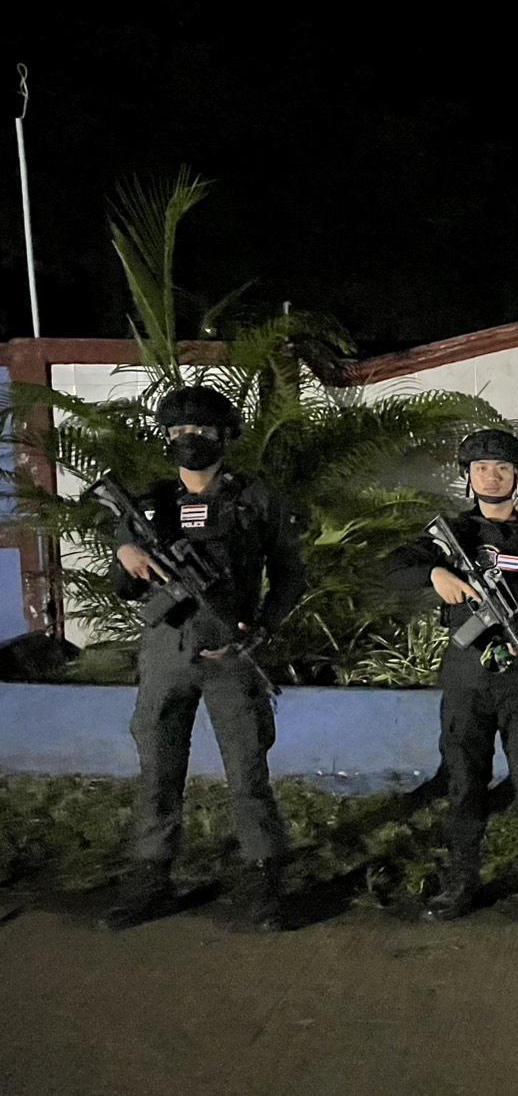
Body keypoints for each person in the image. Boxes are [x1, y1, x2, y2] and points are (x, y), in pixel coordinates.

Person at [101, 386, 306, 932]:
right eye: (177, 431)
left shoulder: (254, 499)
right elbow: (123, 584)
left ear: (225, 437)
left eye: (201, 431)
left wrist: (264, 628)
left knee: (247, 771)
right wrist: (125, 552)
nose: (188, 440)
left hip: (231, 651)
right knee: (158, 769)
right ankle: (152, 877)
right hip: (166, 649)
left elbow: (290, 574)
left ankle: (265, 879)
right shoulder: (149, 504)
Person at [386, 429, 518, 925]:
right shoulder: (452, 534)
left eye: (502, 468)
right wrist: (436, 575)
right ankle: (461, 879)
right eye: (481, 468)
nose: (491, 476)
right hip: (467, 678)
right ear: (468, 476)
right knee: (463, 781)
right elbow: (393, 568)